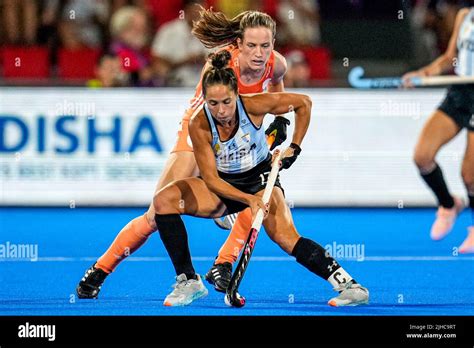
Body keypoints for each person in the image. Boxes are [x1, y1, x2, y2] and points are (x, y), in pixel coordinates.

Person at [76, 7, 291, 298]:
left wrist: (280, 117)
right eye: (251, 46)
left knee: (258, 195)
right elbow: (217, 118)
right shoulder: (220, 68)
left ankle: (222, 265)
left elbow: (276, 91)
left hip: (239, 137)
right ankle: (101, 268)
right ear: (238, 44)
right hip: (199, 133)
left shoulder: (276, 65)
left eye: (265, 46)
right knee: (158, 210)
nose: (258, 53)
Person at [151, 50, 369, 307]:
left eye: (226, 102)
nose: (221, 111)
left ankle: (349, 286)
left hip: (261, 180)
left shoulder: (253, 105)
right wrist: (247, 200)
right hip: (222, 186)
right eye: (213, 103)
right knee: (164, 200)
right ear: (205, 100)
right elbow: (210, 179)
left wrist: (294, 147)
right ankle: (189, 282)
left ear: (236, 95)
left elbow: (304, 103)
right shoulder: (199, 124)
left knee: (287, 238)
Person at [402, 5, 474, 253]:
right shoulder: (465, 15)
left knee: (470, 175)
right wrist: (423, 73)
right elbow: (449, 57)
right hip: (460, 91)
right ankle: (448, 203)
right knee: (422, 156)